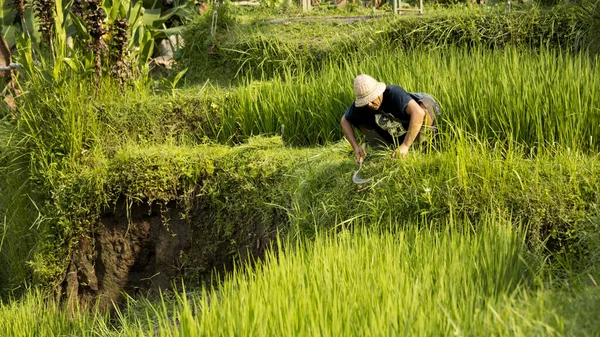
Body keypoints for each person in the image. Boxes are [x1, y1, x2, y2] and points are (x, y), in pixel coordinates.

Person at [340, 74, 441, 163]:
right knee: (361, 119)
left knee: (425, 109)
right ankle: (388, 148)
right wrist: (356, 147)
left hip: (416, 116)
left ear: (378, 92)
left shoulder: (393, 92)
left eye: (371, 99)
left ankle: (424, 147)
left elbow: (418, 113)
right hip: (395, 128)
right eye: (366, 102)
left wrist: (405, 145)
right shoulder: (363, 105)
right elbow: (344, 121)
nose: (369, 104)